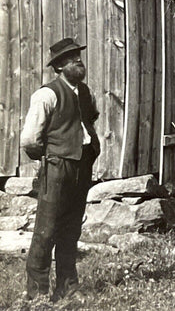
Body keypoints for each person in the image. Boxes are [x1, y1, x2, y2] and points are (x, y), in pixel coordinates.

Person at [21, 38, 100, 302]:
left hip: (81, 166)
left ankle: (67, 286)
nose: (78, 60)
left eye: (78, 55)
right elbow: (30, 139)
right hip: (57, 168)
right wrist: (50, 157)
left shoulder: (86, 92)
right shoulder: (47, 94)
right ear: (58, 67)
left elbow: (89, 119)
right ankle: (38, 294)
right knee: (46, 231)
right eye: (70, 58)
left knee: (71, 230)